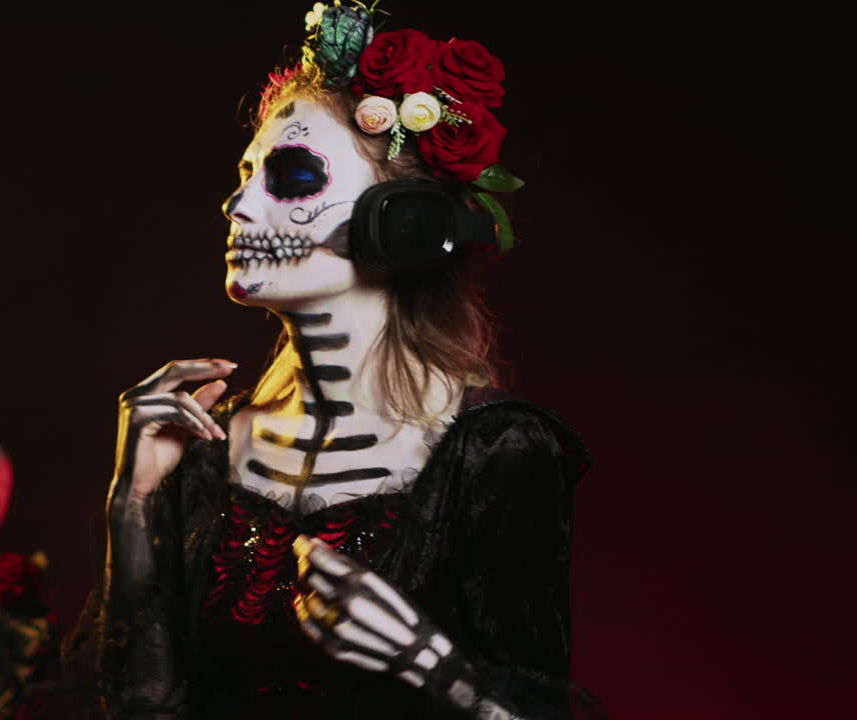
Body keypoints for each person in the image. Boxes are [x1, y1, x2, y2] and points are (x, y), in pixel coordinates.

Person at [70, 4, 593, 718]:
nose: (236, 202)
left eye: (289, 176)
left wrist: (433, 666)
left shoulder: (497, 452)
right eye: (245, 172)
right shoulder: (206, 448)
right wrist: (132, 502)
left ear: (406, 221)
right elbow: (142, 705)